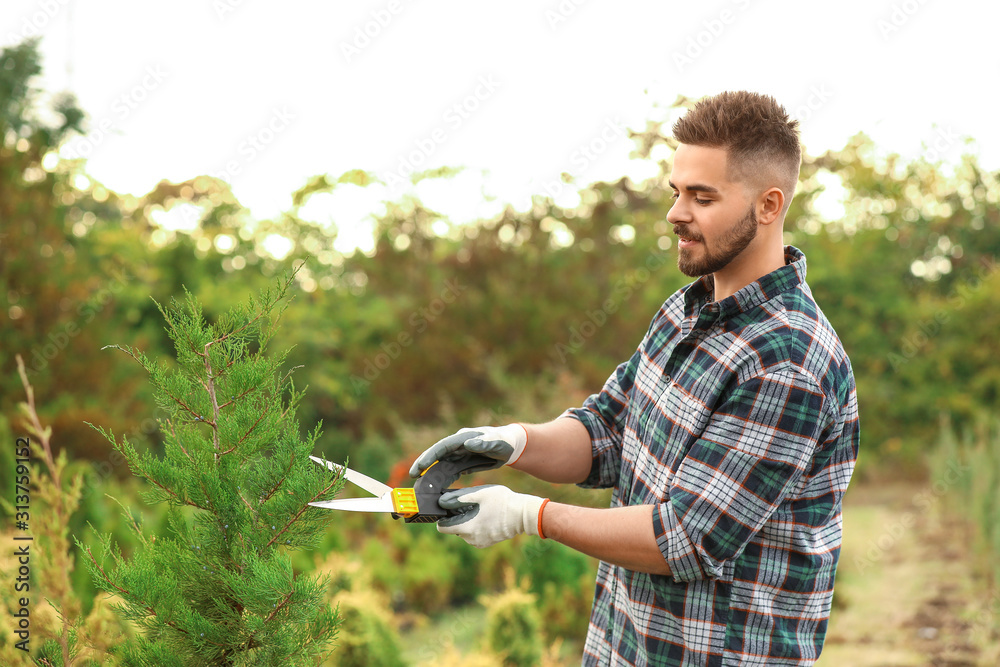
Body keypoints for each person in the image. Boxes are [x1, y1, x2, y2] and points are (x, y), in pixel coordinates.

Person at [409, 90, 860, 665]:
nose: (676, 213)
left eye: (702, 196)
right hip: (627, 644)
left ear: (770, 205)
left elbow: (684, 539)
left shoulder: (788, 360)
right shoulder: (686, 310)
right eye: (677, 192)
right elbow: (607, 433)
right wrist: (515, 442)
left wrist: (529, 515)